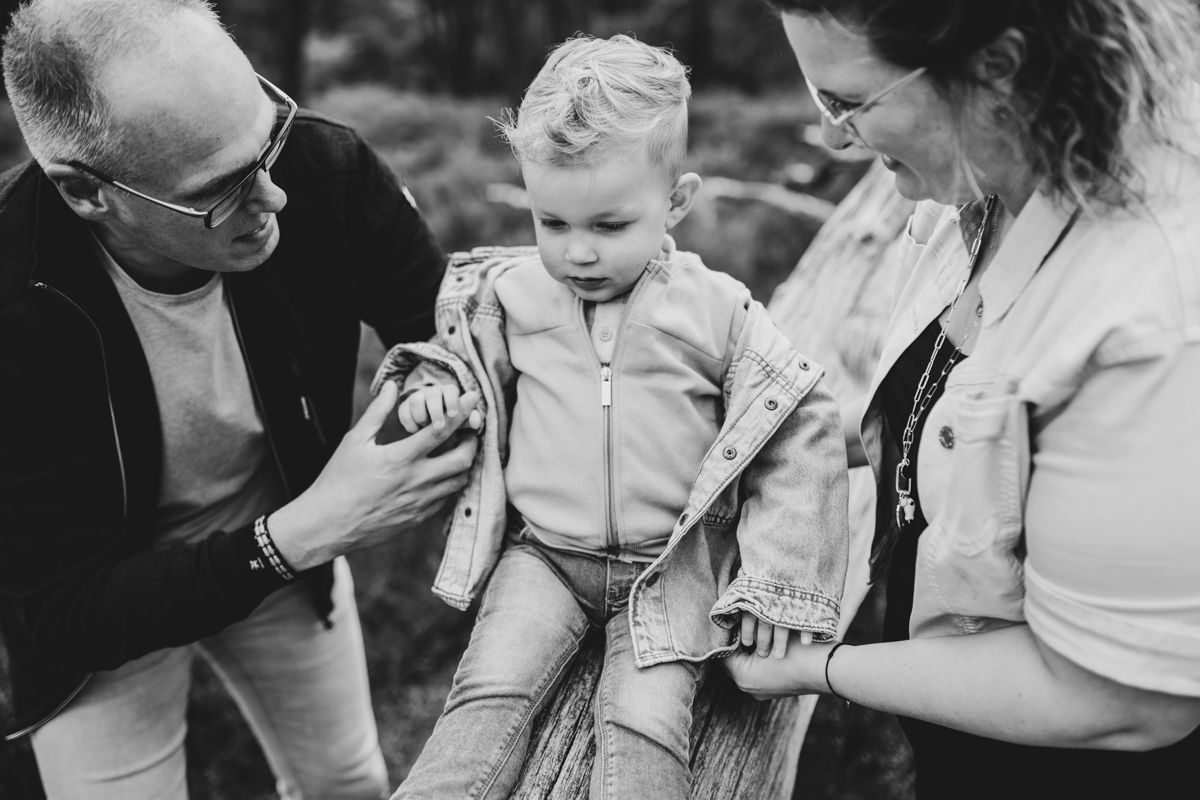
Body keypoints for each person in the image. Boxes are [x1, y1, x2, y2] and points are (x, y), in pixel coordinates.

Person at [0, 0, 479, 797]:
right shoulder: (11, 310)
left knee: (348, 784)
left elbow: (446, 325)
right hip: (110, 606)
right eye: (221, 188)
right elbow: (64, 611)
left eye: (269, 140)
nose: (275, 197)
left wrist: (436, 383)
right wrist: (306, 530)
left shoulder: (324, 170)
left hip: (283, 536)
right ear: (88, 193)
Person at [724, 1, 1200, 797]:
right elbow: (945, 418)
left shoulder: (1154, 319)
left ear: (999, 67)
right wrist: (776, 439)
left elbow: (1120, 702)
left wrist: (819, 666)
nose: (833, 136)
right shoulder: (994, 172)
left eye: (847, 100)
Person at [377, 34, 849, 800]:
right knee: (486, 694)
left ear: (677, 201)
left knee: (645, 727)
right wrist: (434, 386)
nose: (578, 255)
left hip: (667, 571)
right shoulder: (513, 297)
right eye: (552, 224)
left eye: (608, 226)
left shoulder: (715, 311)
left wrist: (779, 578)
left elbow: (802, 426)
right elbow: (460, 361)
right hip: (544, 556)